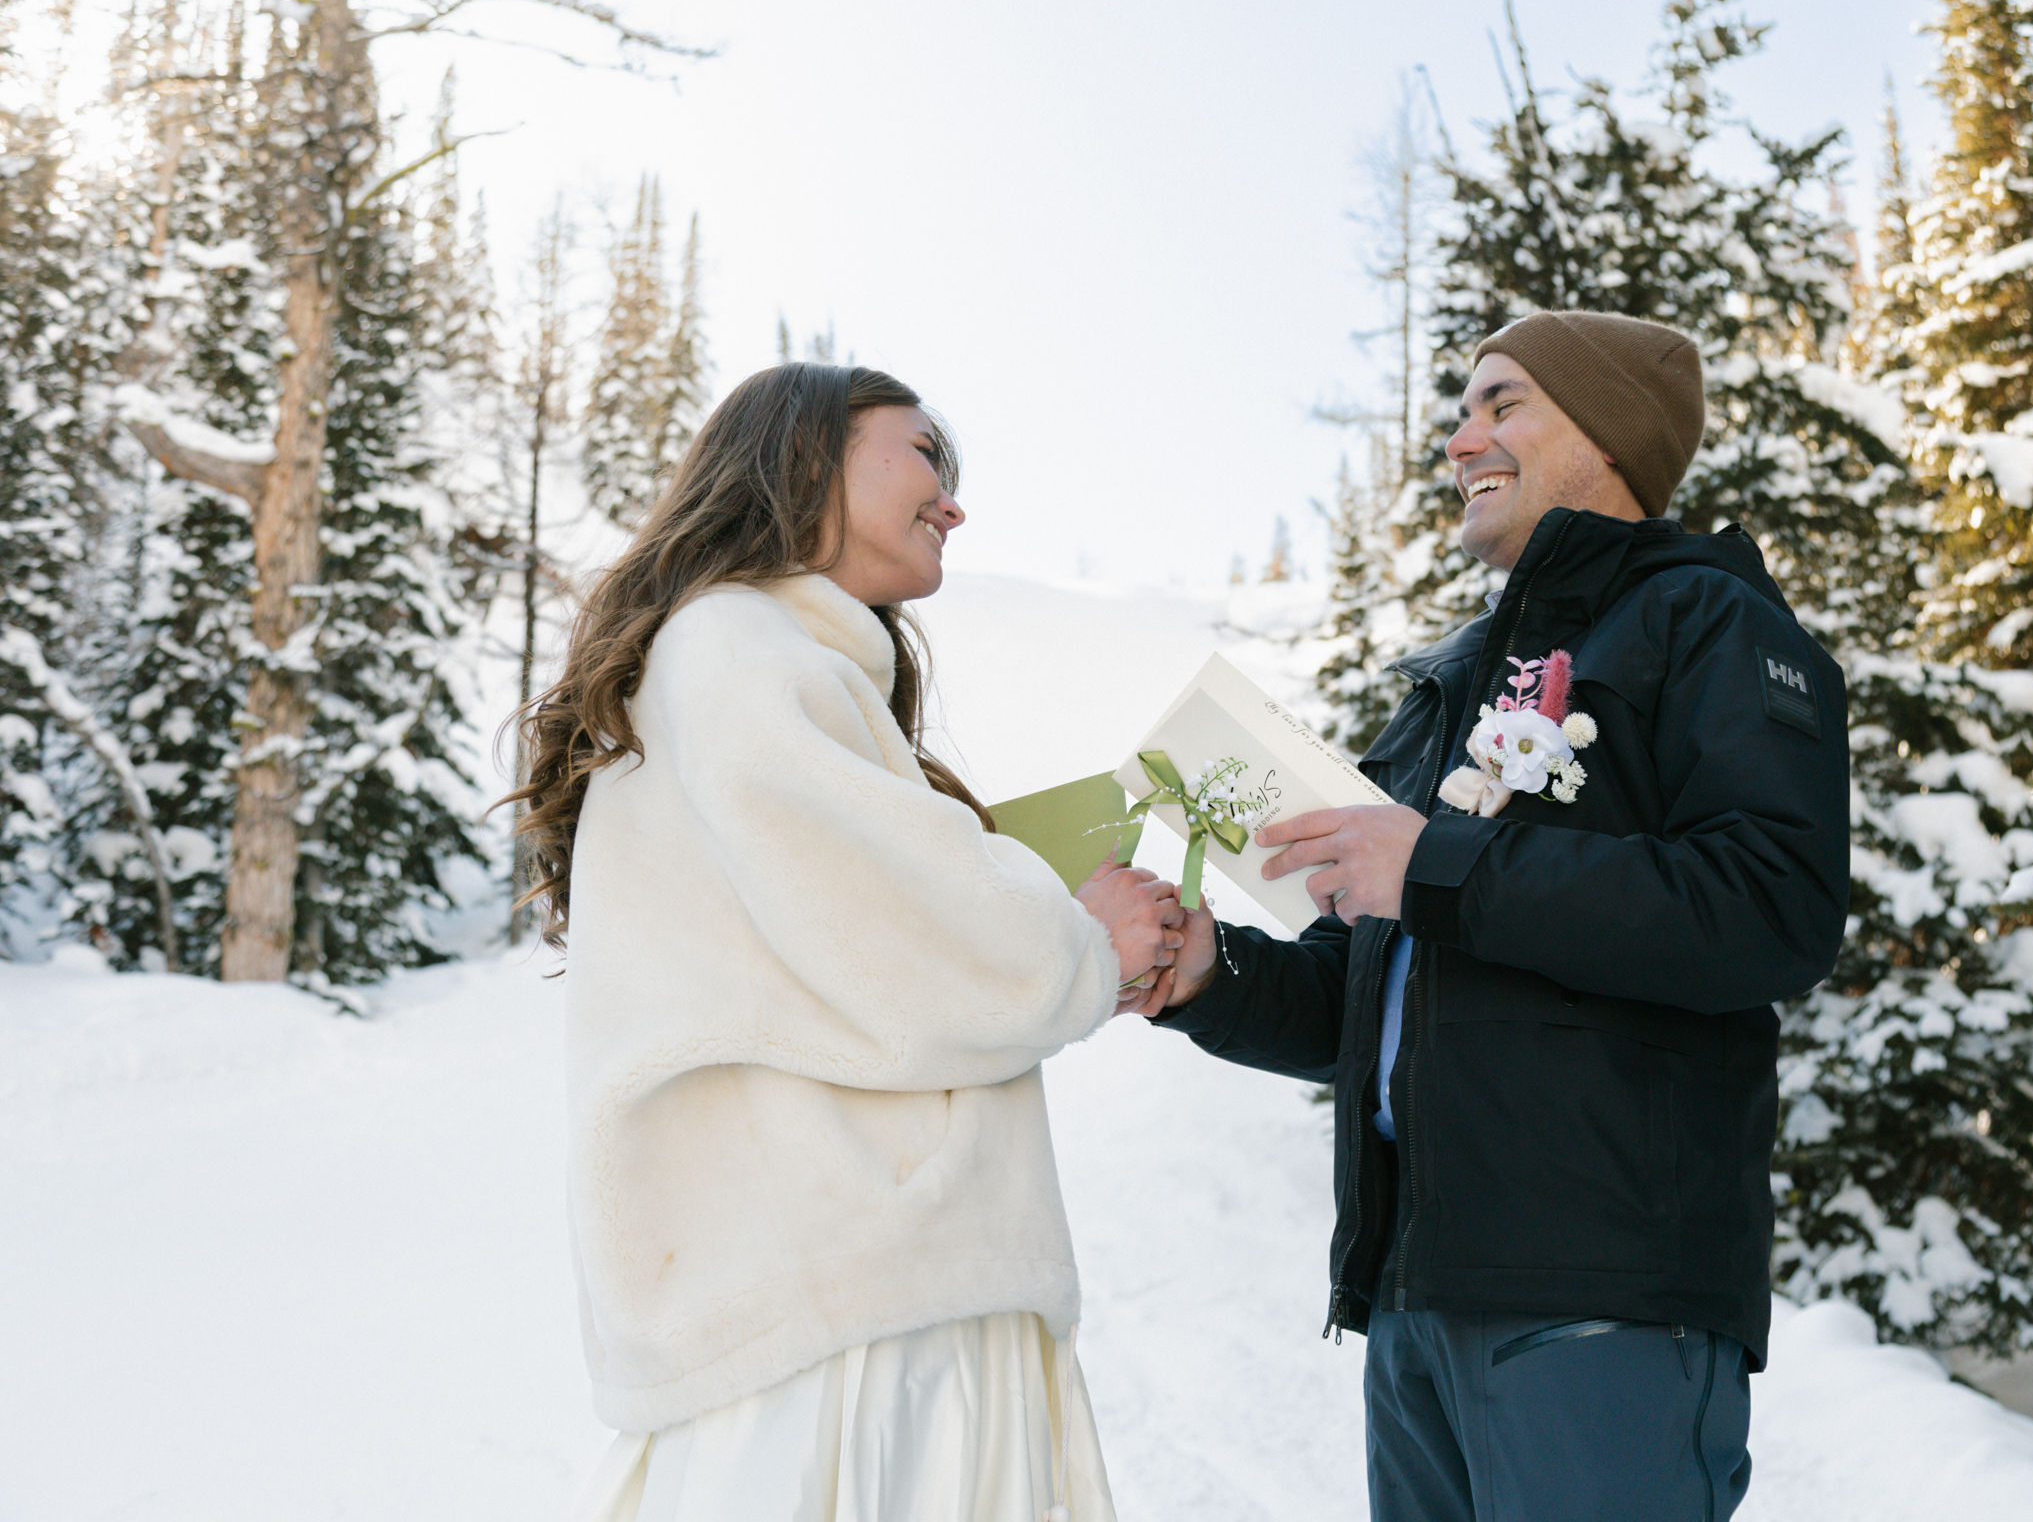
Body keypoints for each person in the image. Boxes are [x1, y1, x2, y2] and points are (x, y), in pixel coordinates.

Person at [1129, 311, 1851, 1520]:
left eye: (1499, 403)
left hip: (1600, 1294)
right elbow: (1360, 987)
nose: (1460, 438)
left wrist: (1439, 867)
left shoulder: (1710, 623)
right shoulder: (1453, 684)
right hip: (1417, 1299)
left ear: (1608, 433)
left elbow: (1770, 906)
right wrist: (1211, 975)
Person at [508, 362, 1181, 1521]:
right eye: (926, 455)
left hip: (834, 1284)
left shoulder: (749, 661)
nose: (953, 503)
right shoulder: (737, 648)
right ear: (806, 454)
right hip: (853, 1294)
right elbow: (917, 938)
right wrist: (1085, 942)